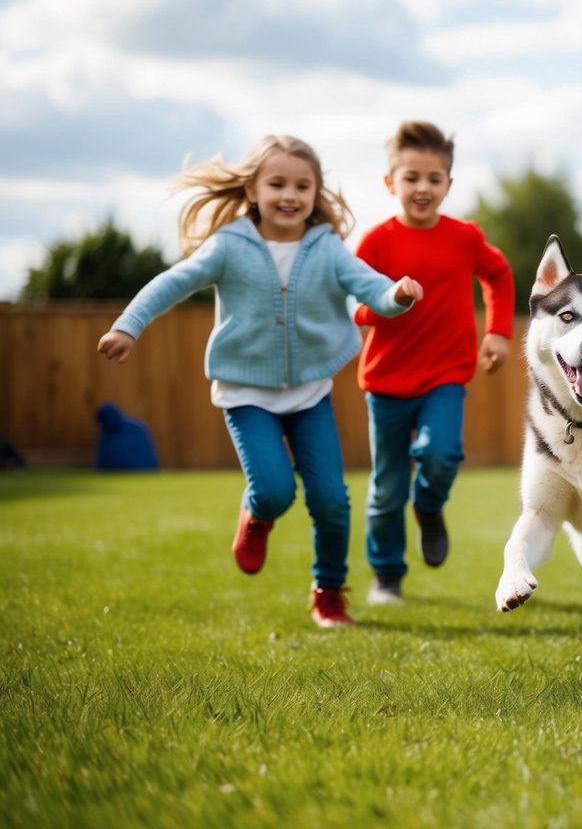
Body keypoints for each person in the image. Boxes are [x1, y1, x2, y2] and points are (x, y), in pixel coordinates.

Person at [97, 135, 423, 629]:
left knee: (331, 500)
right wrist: (128, 325)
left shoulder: (327, 249)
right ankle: (257, 514)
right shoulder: (230, 246)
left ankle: (329, 595)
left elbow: (369, 286)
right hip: (246, 393)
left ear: (316, 194)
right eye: (277, 184)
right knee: (273, 490)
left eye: (302, 186)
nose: (289, 195)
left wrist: (396, 294)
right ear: (252, 189)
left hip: (309, 391)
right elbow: (173, 282)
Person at [353, 120, 514, 606]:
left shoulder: (464, 237)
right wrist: (391, 298)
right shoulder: (376, 243)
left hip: (446, 376)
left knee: (442, 454)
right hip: (385, 383)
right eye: (411, 178)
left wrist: (499, 333)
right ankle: (386, 576)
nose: (423, 188)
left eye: (434, 178)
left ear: (448, 184)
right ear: (390, 183)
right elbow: (357, 306)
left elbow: (500, 275)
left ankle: (429, 506)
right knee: (386, 488)